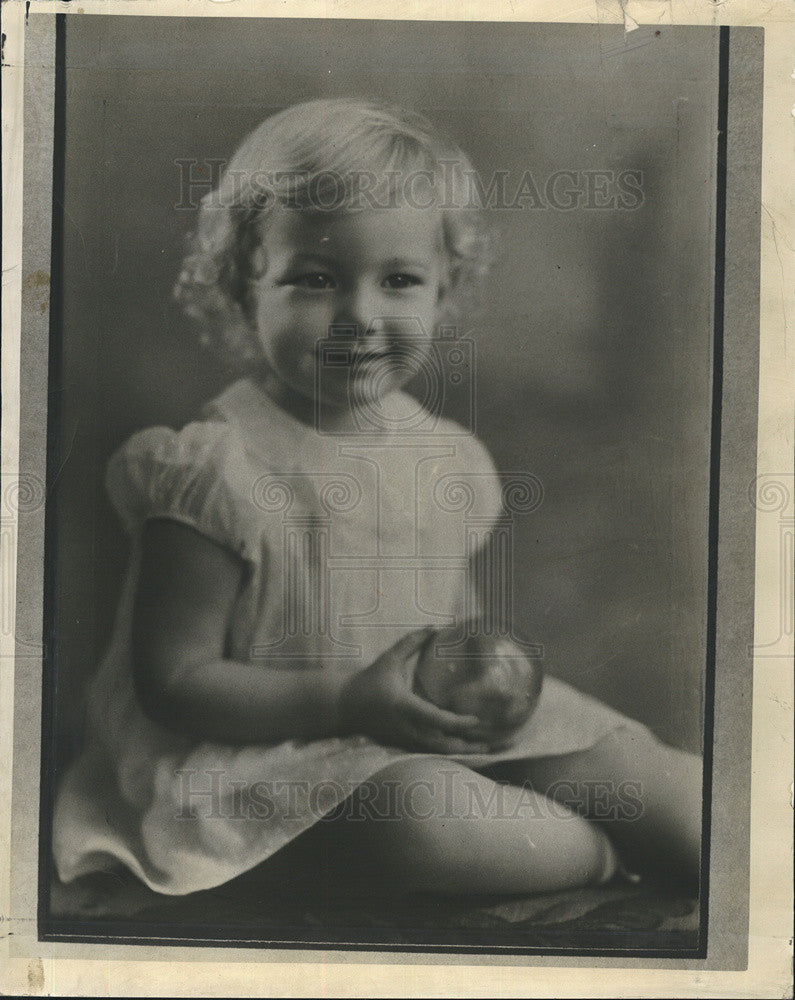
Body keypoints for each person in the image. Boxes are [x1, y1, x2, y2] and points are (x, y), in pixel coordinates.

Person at [53, 98, 702, 900]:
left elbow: (446, 625)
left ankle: (641, 834)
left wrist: (480, 701)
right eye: (316, 280)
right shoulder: (214, 469)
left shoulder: (444, 459)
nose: (359, 317)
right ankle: (595, 856)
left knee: (664, 786)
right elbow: (176, 684)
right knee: (423, 820)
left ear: (444, 287)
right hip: (268, 753)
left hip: (411, 731)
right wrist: (349, 700)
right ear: (242, 284)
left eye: (397, 281)